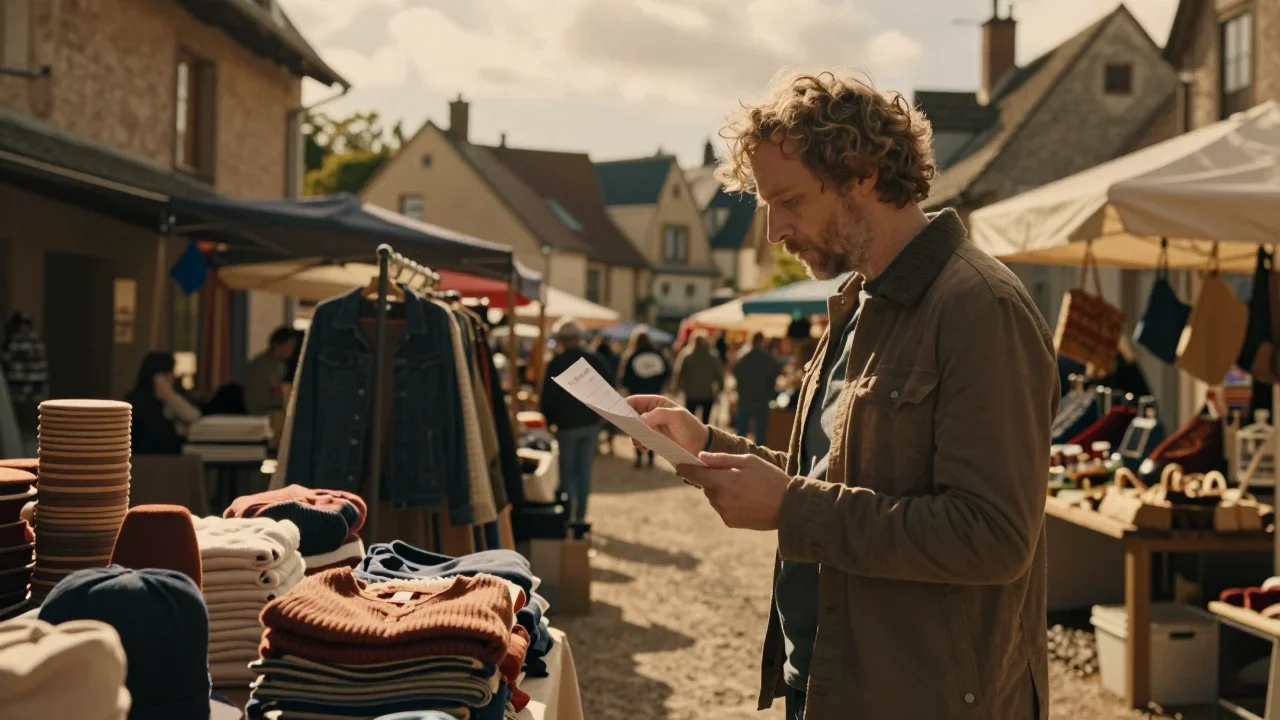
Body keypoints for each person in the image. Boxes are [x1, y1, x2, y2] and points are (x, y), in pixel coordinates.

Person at [627, 72, 1057, 720]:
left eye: (790, 201)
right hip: (831, 685)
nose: (774, 231)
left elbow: (993, 536)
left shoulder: (979, 307)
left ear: (861, 172)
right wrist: (709, 444)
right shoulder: (859, 303)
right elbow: (836, 481)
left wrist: (790, 507)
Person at [539, 319, 608, 524]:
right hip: (590, 422)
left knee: (567, 473)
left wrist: (550, 421)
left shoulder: (556, 362)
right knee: (584, 472)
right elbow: (608, 387)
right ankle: (581, 517)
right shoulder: (593, 360)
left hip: (567, 424)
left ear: (560, 339)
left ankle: (567, 517)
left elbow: (547, 397)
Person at [125, 351, 203, 455]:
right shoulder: (136, 402)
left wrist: (169, 395)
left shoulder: (171, 401)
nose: (172, 378)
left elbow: (194, 416)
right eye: (168, 374)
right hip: (147, 460)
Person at [619, 329, 670, 469]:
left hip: (638, 398)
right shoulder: (658, 354)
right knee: (653, 427)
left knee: (638, 429)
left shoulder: (631, 355)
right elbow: (667, 373)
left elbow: (624, 378)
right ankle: (651, 458)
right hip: (655, 396)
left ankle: (639, 457)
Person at [732, 332, 782, 442]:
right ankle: (759, 455)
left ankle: (739, 453)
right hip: (762, 398)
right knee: (760, 433)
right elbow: (776, 371)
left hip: (745, 397)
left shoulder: (744, 357)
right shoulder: (767, 358)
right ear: (761, 341)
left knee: (742, 432)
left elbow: (735, 371)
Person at [244, 326, 299, 416]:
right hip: (262, 414)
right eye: (289, 345)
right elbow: (257, 400)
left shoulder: (282, 365)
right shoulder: (261, 366)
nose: (291, 350)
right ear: (278, 345)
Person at [672, 332, 724, 425]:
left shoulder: (686, 355)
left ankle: (691, 437)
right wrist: (721, 388)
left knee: (690, 420)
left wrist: (677, 387)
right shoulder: (713, 356)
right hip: (707, 393)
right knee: (705, 421)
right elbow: (719, 375)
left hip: (691, 393)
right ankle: (704, 438)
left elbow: (679, 373)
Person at [592, 336, 622, 454]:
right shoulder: (614, 357)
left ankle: (596, 444)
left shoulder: (594, 357)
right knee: (611, 420)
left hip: (595, 392)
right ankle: (610, 445)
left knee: (596, 418)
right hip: (611, 391)